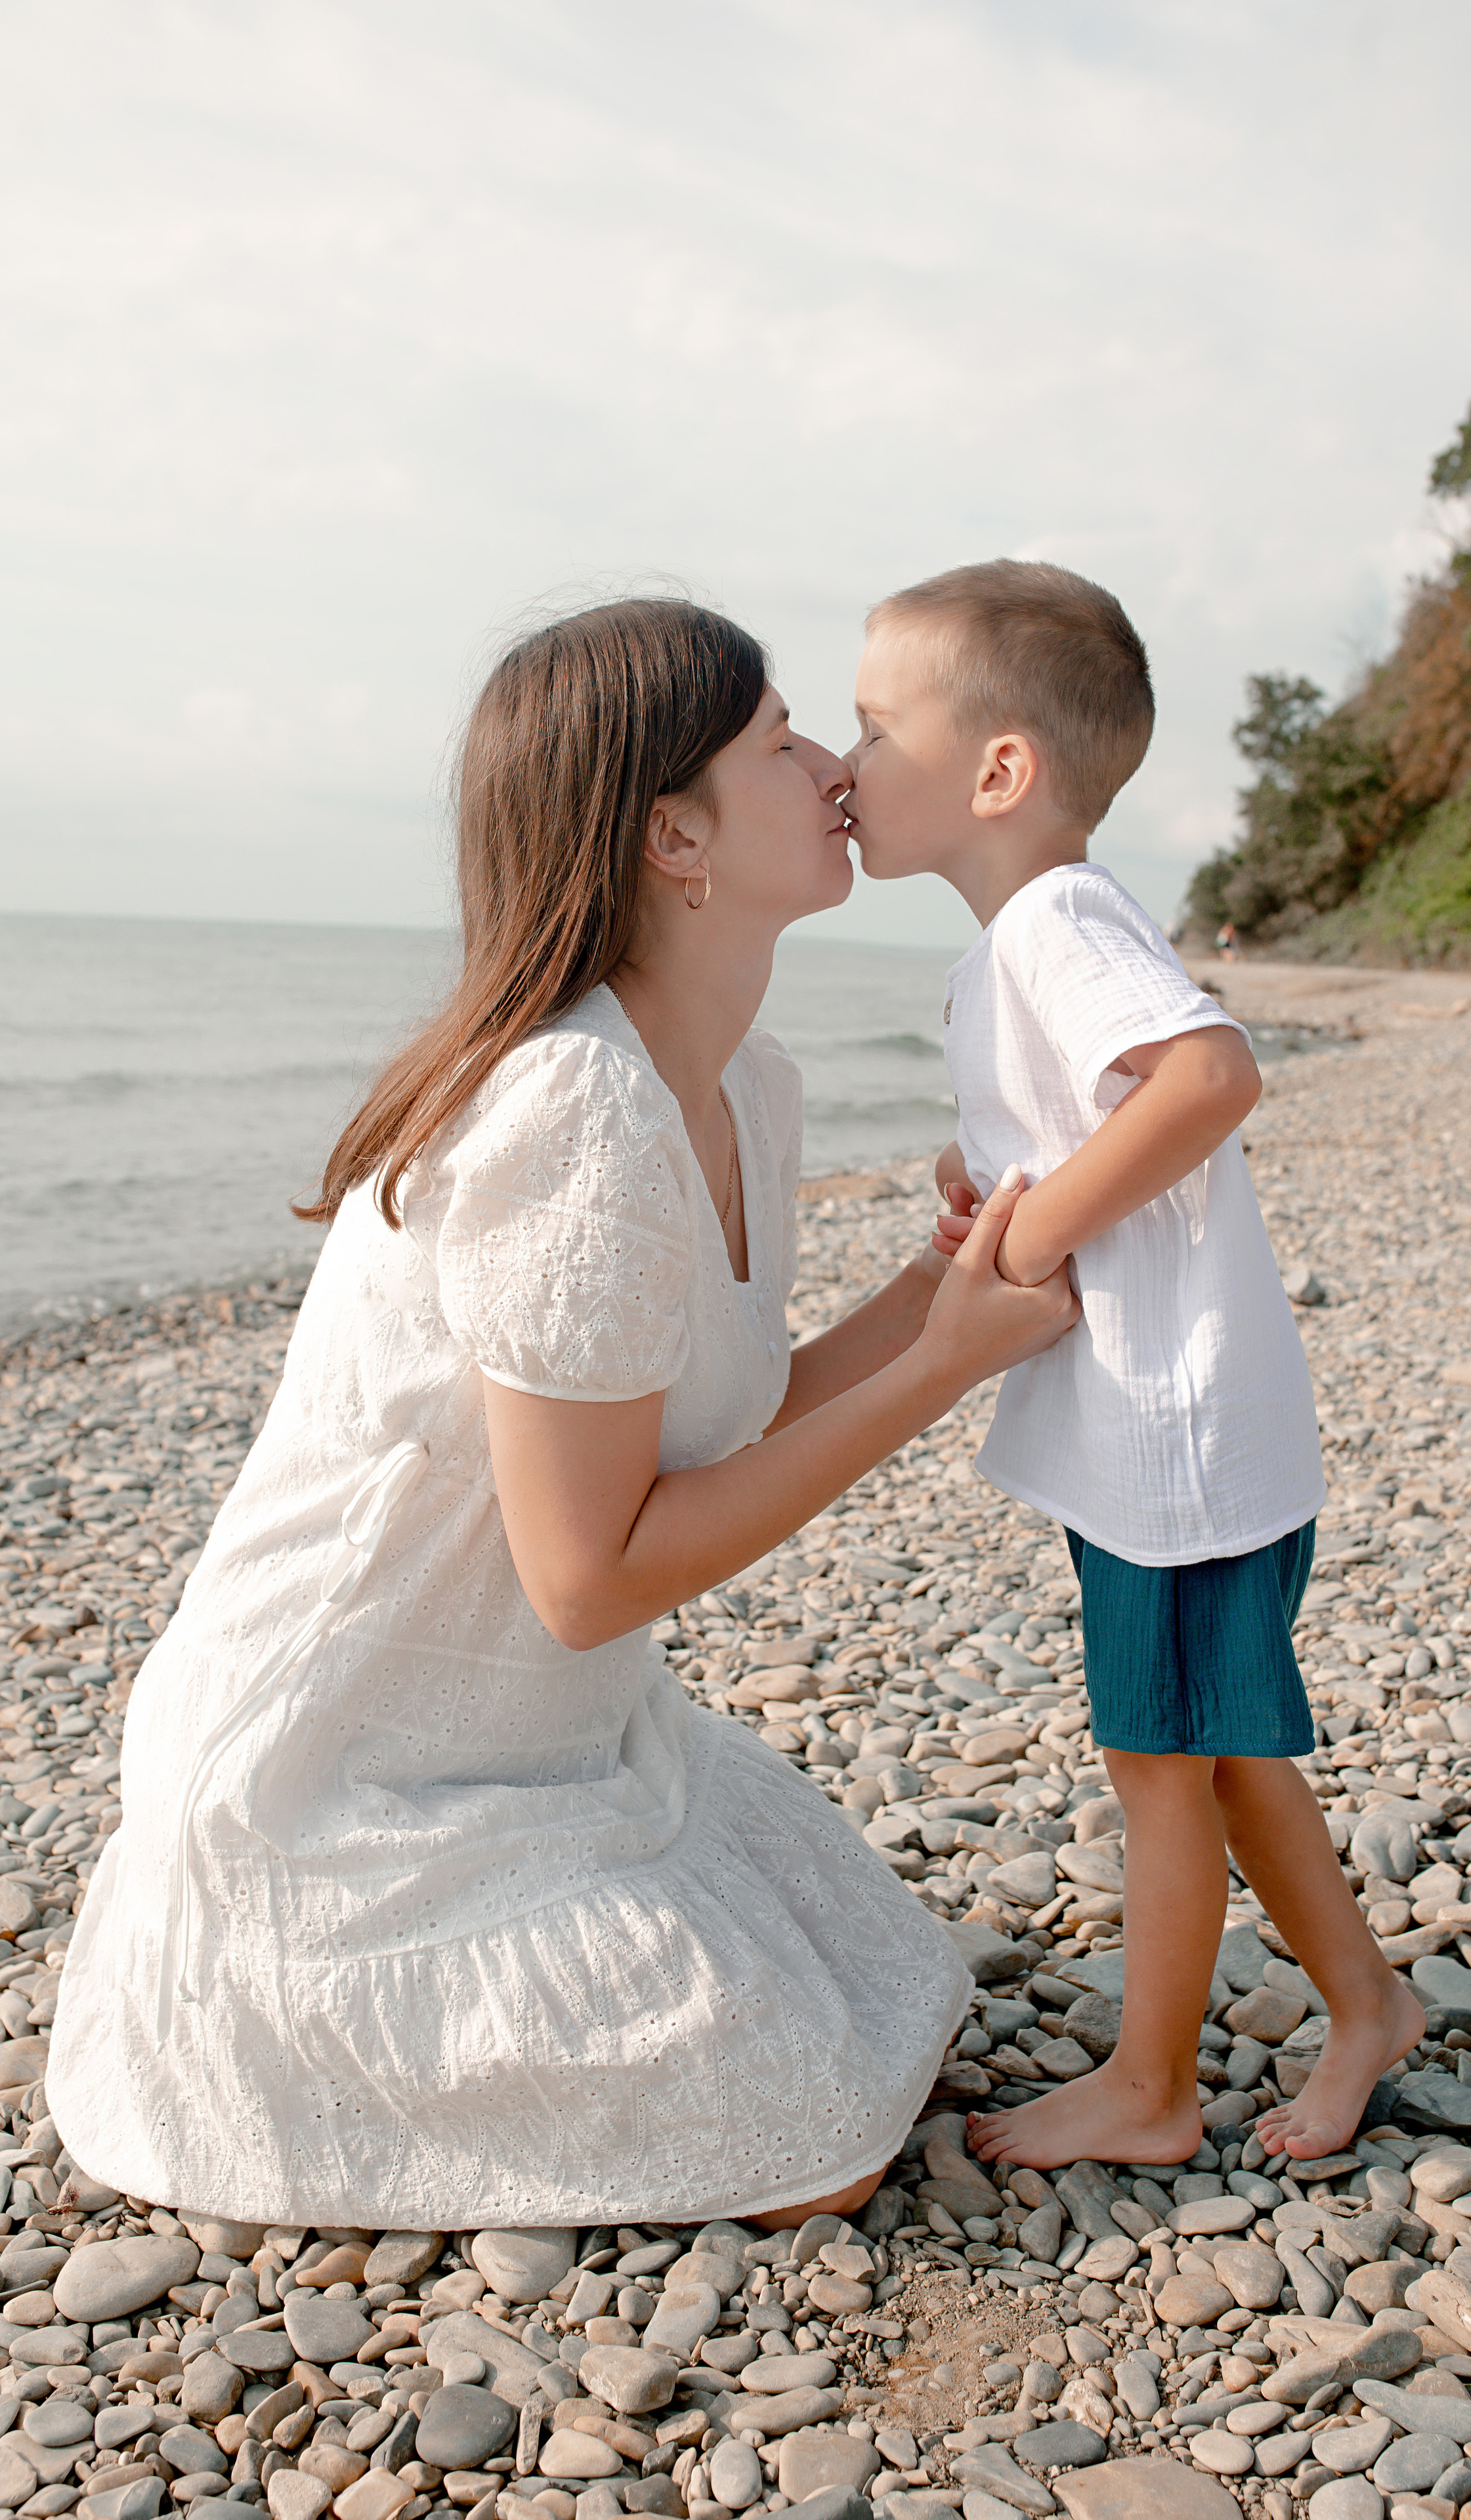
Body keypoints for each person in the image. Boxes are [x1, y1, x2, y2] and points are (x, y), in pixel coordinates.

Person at [47, 598, 1078, 2233]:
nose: (832, 767)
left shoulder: (748, 1083)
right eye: (778, 739)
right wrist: (947, 1367)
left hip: (546, 1741)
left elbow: (712, 1417)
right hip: (340, 1780)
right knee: (821, 2140)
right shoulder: (572, 1109)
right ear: (673, 830)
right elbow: (588, 1575)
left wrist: (933, 1289)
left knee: (886, 1985)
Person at [841, 559, 1422, 2169]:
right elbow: (1104, 1126)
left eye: (873, 725)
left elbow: (1205, 1077)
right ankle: (1363, 2003)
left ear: (997, 771)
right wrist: (1011, 1193)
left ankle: (1150, 2089)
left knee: (1158, 1764)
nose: (841, 763)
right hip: (1177, 1423)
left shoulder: (1053, 916)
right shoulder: (1017, 941)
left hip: (1173, 1431)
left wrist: (1035, 1241)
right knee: (1218, 1746)